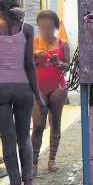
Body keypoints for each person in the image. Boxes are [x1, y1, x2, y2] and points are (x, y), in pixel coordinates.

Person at [0, 0, 45, 185]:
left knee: (8, 140)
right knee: (24, 137)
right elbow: (29, 65)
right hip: (22, 88)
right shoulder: (26, 29)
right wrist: (38, 95)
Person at [31, 10, 70, 174]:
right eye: (42, 26)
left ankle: (52, 159)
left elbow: (68, 66)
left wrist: (58, 63)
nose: (46, 30)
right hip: (37, 87)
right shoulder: (33, 42)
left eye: (49, 26)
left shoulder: (63, 44)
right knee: (38, 125)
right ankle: (33, 161)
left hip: (58, 86)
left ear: (55, 26)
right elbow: (25, 64)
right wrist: (34, 56)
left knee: (55, 123)